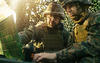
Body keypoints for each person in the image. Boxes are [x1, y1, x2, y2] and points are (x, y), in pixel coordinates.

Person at [33, 0, 100, 63]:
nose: (68, 10)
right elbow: (71, 50)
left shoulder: (96, 19)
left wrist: (56, 55)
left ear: (81, 4)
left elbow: (92, 46)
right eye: (65, 8)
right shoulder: (76, 27)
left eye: (71, 6)